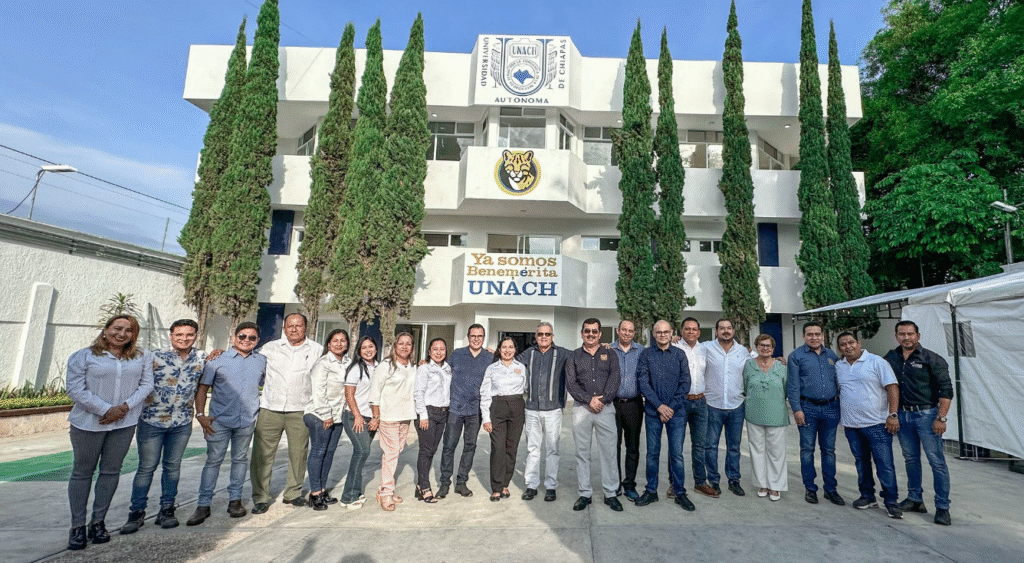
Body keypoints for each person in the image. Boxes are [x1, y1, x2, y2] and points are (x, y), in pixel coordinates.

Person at [65, 315, 154, 550]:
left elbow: (146, 385)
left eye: (129, 330)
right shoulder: (84, 356)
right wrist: (105, 409)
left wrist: (123, 408)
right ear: (105, 330)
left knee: (110, 471)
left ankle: (98, 522)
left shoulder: (142, 356)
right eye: (117, 328)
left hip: (124, 423)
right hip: (88, 423)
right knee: (82, 473)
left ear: (134, 335)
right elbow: (75, 389)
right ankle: (77, 526)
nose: (122, 333)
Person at [120, 319, 206, 535]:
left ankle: (167, 510)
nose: (184, 339)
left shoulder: (202, 357)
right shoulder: (153, 356)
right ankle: (136, 513)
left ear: (196, 336)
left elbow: (202, 387)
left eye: (189, 335)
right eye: (179, 334)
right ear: (171, 335)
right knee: (146, 467)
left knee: (172, 467)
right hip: (152, 421)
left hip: (181, 422)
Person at [187, 322, 266, 526]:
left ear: (257, 340)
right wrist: (200, 415)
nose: (246, 340)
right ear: (233, 337)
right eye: (242, 336)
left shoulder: (261, 361)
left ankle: (235, 501)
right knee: (213, 461)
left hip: (246, 420)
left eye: (252, 337)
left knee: (240, 460)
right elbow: (203, 388)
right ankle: (203, 504)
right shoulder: (216, 360)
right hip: (219, 421)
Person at [884, 320, 954, 526]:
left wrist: (941, 418)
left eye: (910, 333)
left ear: (918, 336)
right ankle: (915, 499)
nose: (906, 337)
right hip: (902, 416)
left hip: (927, 415)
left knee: (936, 461)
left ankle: (942, 507)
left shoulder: (932, 359)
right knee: (910, 459)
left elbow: (946, 391)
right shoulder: (891, 358)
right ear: (896, 336)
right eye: (902, 334)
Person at [250, 313, 321, 513]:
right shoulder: (270, 348)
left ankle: (293, 493)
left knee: (298, 454)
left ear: (306, 327)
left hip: (300, 409)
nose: (294, 329)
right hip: (270, 408)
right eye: (290, 326)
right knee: (262, 455)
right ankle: (261, 497)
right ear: (284, 329)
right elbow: (247, 355)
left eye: (298, 325)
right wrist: (219, 353)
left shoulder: (317, 350)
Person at [836, 331, 903, 519]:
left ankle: (891, 501)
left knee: (884, 464)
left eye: (851, 342)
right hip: (851, 425)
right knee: (861, 462)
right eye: (843, 344)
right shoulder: (839, 366)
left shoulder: (876, 362)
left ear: (859, 343)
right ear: (839, 348)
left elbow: (892, 387)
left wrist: (893, 415)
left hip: (877, 424)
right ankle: (867, 496)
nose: (848, 346)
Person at [635, 320, 694, 511]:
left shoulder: (679, 354)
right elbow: (643, 383)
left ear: (671, 333)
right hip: (653, 412)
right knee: (652, 453)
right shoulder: (646, 354)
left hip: (676, 413)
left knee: (676, 454)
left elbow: (685, 383)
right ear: (653, 334)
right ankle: (651, 491)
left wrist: (670, 408)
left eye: (666, 332)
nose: (662, 335)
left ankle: (679, 492)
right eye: (659, 332)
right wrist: (660, 406)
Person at [566, 318, 622, 512]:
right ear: (582, 333)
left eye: (594, 331)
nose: (590, 334)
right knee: (582, 453)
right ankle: (584, 493)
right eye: (587, 331)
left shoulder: (610, 354)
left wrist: (602, 400)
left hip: (605, 409)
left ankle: (611, 493)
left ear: (600, 334)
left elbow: (615, 378)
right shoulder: (574, 356)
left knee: (609, 452)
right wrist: (589, 400)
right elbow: (571, 383)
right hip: (582, 409)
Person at [787, 320, 844, 506]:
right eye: (810, 334)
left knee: (829, 451)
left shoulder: (832, 356)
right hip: (807, 408)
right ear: (804, 336)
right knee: (807, 450)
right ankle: (810, 488)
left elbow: (839, 382)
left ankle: (831, 489)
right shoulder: (796, 356)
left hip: (830, 409)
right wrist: (797, 409)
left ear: (822, 335)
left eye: (817, 334)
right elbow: (793, 386)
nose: (814, 337)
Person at [437, 324, 492, 499]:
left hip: (475, 411)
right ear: (468, 337)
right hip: (455, 408)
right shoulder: (457, 354)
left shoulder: (490, 358)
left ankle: (461, 482)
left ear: (484, 338)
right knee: (449, 446)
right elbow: (441, 370)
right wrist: (425, 362)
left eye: (480, 336)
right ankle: (444, 483)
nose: (476, 339)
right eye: (473, 336)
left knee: (470, 446)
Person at [518, 322, 569, 502]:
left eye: (547, 334)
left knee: (552, 450)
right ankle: (531, 485)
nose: (544, 337)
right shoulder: (529, 353)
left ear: (552, 336)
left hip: (553, 409)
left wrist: (603, 347)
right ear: (536, 336)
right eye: (540, 334)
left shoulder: (562, 353)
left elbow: (582, 356)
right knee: (532, 449)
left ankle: (550, 486)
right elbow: (509, 360)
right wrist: (491, 353)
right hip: (532, 408)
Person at [303, 329, 351, 510]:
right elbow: (318, 391)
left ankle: (322, 490)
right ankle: (315, 493)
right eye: (335, 340)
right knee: (318, 451)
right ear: (328, 344)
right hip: (319, 414)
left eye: (342, 340)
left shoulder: (348, 363)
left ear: (347, 344)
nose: (339, 344)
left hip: (337, 415)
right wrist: (326, 414)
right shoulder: (323, 363)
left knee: (329, 453)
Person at [369, 332, 417, 511]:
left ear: (412, 347)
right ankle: (386, 493)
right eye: (401, 343)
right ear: (395, 346)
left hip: (405, 416)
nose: (404, 346)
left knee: (396, 451)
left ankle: (384, 488)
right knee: (391, 454)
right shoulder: (386, 366)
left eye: (408, 344)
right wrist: (376, 417)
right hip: (388, 416)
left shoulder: (412, 366)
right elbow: (374, 393)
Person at [703, 318, 749, 497]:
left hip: (736, 405)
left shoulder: (743, 351)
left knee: (734, 447)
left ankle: (734, 480)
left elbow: (758, 363)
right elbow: (688, 349)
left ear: (733, 331)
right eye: (721, 328)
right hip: (712, 405)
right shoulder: (706, 348)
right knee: (711, 446)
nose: (726, 331)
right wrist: (676, 339)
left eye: (729, 328)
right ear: (716, 331)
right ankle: (713, 480)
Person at [744, 334, 790, 502]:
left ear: (773, 348)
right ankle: (762, 484)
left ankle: (775, 485)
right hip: (754, 413)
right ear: (756, 347)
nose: (765, 348)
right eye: (761, 345)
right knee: (757, 450)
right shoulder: (749, 366)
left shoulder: (781, 367)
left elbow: (786, 389)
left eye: (768, 345)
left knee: (776, 452)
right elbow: (745, 386)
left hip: (777, 414)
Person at [481, 337, 528, 501]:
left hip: (517, 407)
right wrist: (486, 418)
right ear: (499, 350)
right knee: (498, 448)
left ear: (515, 350)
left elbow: (526, 388)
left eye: (510, 347)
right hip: (498, 407)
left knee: (511, 448)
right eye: (504, 347)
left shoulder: (521, 367)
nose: (507, 350)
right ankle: (496, 487)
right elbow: (485, 393)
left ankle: (505, 484)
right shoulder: (492, 368)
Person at [672, 317, 714, 498]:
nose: (691, 331)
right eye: (687, 328)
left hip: (700, 402)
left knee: (699, 446)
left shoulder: (705, 349)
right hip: (680, 403)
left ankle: (700, 482)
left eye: (694, 329)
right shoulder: (674, 347)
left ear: (699, 332)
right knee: (676, 447)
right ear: (681, 331)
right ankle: (675, 484)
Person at [339, 335, 380, 509]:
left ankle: (355, 491)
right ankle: (348, 497)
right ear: (359, 351)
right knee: (362, 451)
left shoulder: (379, 367)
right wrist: (357, 416)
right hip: (354, 416)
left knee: (361, 453)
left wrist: (376, 418)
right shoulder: (356, 368)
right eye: (364, 348)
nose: (368, 350)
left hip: (371, 418)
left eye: (371, 346)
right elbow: (349, 394)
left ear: (376, 348)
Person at [610, 319, 644, 502]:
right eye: (624, 330)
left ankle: (629, 485)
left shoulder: (642, 351)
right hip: (612, 405)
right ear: (618, 330)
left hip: (634, 405)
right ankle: (614, 484)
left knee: (632, 447)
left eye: (630, 331)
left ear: (634, 333)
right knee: (613, 446)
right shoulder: (608, 350)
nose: (627, 333)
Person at [414, 338, 451, 503]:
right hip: (428, 412)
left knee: (432, 450)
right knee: (426, 450)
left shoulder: (448, 368)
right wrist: (423, 415)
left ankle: (419, 485)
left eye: (442, 349)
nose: (439, 352)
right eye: (435, 349)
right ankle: (425, 487)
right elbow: (418, 392)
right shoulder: (424, 368)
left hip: (443, 413)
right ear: (429, 351)